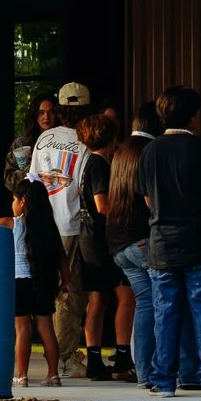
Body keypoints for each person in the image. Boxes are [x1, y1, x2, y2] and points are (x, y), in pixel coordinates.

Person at [137, 86, 201, 398]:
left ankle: (163, 380)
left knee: (165, 313)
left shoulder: (150, 151)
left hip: (162, 242)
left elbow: (147, 199)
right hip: (200, 240)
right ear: (194, 116)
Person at [28, 94, 91, 373]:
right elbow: (85, 187)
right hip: (69, 223)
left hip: (42, 224)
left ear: (60, 110)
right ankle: (65, 357)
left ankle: (57, 355)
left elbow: (32, 181)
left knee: (47, 289)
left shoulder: (44, 139)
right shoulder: (84, 142)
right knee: (69, 291)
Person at [101, 100, 157, 385]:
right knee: (164, 301)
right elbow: (151, 199)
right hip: (141, 238)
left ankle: (144, 372)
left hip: (118, 243)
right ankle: (162, 370)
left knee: (145, 302)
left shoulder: (121, 151)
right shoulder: (150, 151)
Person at [72, 112, 125, 379]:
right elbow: (102, 205)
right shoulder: (99, 165)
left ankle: (94, 358)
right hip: (98, 237)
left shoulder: (89, 163)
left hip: (88, 235)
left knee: (98, 298)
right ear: (111, 137)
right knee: (111, 296)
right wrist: (125, 213)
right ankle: (112, 357)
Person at [8, 177, 65, 386]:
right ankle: (53, 374)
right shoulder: (49, 227)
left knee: (22, 329)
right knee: (46, 328)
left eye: (14, 199)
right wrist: (67, 281)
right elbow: (61, 257)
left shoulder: (14, 224)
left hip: (19, 282)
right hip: (43, 281)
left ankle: (21, 375)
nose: (12, 204)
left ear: (23, 201)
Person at [4, 94, 58, 195]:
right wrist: (32, 169)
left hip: (57, 195)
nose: (46, 117)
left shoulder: (63, 142)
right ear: (34, 114)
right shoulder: (22, 143)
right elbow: (8, 180)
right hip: (29, 198)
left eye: (51, 112)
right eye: (41, 113)